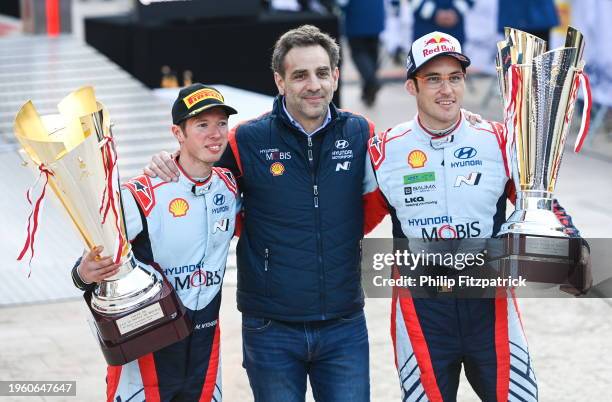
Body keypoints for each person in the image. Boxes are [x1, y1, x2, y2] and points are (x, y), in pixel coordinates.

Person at [146, 25, 388, 402]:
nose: (314, 85)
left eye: (322, 73)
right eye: (300, 75)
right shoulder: (247, 138)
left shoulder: (360, 132)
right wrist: (169, 159)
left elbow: (379, 200)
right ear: (280, 81)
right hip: (271, 328)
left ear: (336, 76)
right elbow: (200, 181)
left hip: (344, 325)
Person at [369, 31, 591, 401]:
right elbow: (349, 223)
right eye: (433, 79)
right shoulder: (384, 150)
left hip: (490, 305)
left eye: (455, 78)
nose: (447, 90)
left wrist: (574, 254)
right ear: (411, 87)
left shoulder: (499, 141)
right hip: (423, 311)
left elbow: (536, 203)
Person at [72, 84, 240, 402]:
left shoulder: (229, 186)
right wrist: (84, 272)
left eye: (221, 123)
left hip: (205, 351)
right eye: (202, 125)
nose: (215, 134)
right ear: (177, 132)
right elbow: (88, 265)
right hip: (147, 353)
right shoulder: (142, 194)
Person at [338, 0, 386, 106]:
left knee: (359, 54)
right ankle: (368, 91)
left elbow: (341, 4)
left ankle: (372, 81)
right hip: (376, 16)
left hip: (357, 19)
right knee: (372, 55)